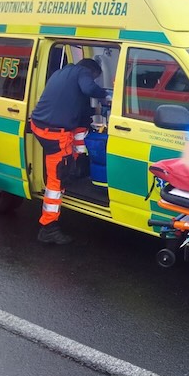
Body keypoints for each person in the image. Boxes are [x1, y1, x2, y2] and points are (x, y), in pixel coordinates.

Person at [30, 58, 110, 245]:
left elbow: (77, 108)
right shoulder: (82, 72)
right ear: (90, 71)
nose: (92, 80)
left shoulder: (62, 72)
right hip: (54, 134)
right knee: (57, 179)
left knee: (80, 129)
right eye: (94, 77)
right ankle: (48, 227)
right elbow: (89, 89)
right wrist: (106, 94)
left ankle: (75, 167)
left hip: (40, 125)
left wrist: (93, 112)